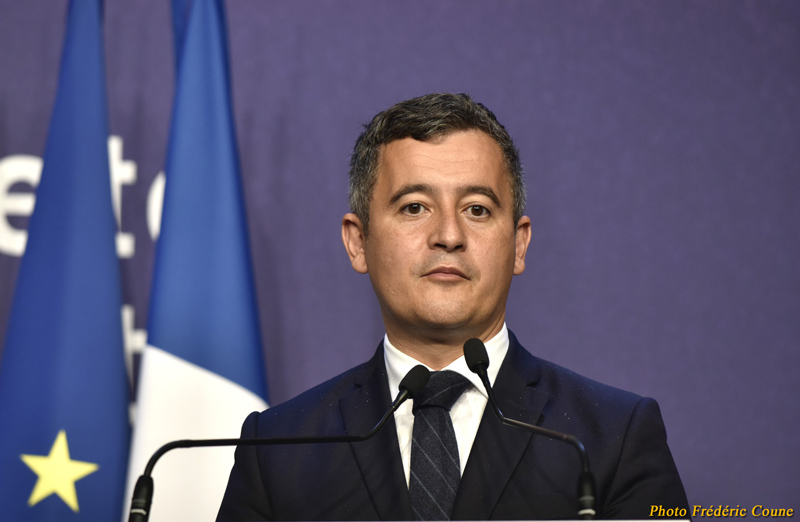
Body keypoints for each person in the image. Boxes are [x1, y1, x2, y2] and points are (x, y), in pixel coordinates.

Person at [217, 93, 689, 520]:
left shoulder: (611, 438)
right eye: (414, 207)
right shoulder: (278, 447)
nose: (448, 235)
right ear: (358, 242)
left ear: (519, 245)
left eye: (477, 209)